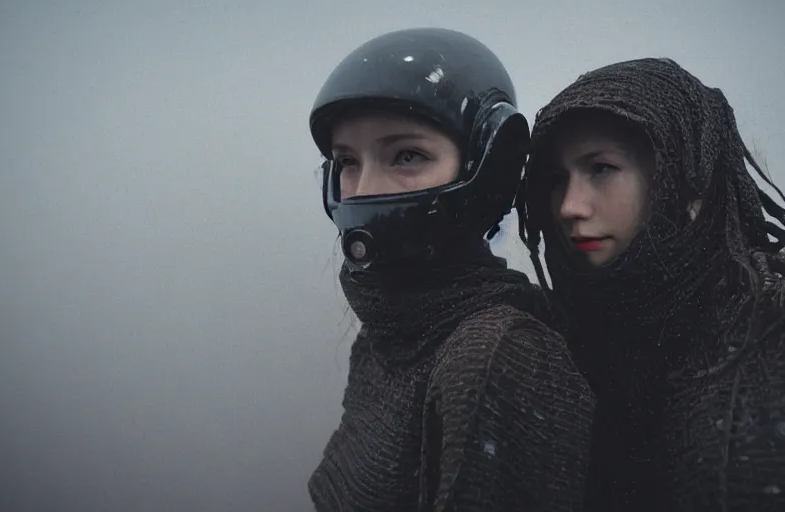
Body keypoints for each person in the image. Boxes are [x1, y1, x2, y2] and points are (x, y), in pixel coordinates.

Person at [307, 28, 595, 511]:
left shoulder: (500, 355)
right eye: (347, 161)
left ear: (487, 166)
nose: (362, 191)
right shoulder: (392, 328)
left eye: (407, 155)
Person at [518, 57, 785, 511]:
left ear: (686, 184)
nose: (568, 206)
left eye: (600, 168)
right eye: (558, 178)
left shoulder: (767, 337)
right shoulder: (553, 339)